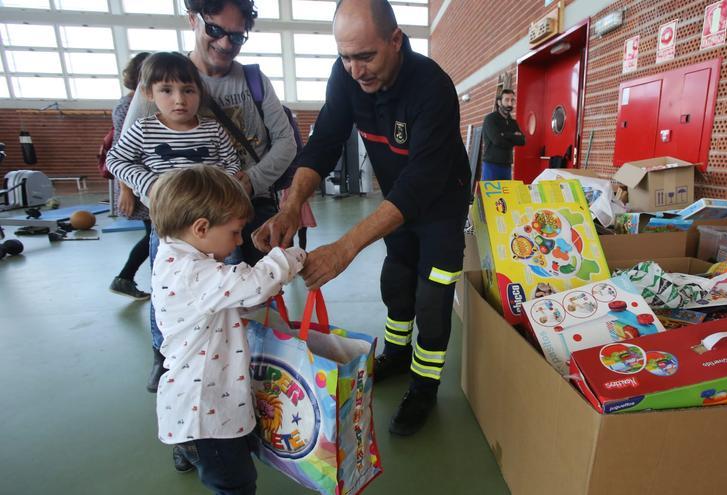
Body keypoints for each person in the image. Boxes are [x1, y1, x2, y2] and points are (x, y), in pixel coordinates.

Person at [253, 0, 471, 436]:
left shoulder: (432, 88)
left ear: (395, 40)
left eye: (365, 56)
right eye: (345, 57)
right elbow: (324, 141)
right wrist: (291, 206)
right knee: (396, 280)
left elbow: (421, 184)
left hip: (440, 207)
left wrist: (345, 247)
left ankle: (425, 387)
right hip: (399, 202)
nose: (355, 70)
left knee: (432, 296)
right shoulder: (348, 76)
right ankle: (396, 354)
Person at [150, 165, 305, 492]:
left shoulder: (174, 256)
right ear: (201, 227)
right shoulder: (192, 271)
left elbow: (220, 305)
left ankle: (189, 452)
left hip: (202, 404)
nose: (238, 241)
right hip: (208, 413)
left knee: (229, 467)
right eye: (235, 232)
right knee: (236, 484)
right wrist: (293, 258)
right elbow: (256, 282)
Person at [122, 0, 296, 267]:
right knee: (177, 296)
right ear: (193, 19)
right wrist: (155, 192)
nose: (226, 44)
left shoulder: (254, 81)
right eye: (215, 30)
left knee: (248, 296)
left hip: (243, 209)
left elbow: (286, 142)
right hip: (179, 220)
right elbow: (124, 155)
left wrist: (251, 180)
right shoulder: (164, 80)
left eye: (237, 36)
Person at [107, 52, 242, 396]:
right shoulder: (144, 129)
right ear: (149, 94)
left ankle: (224, 345)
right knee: (167, 292)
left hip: (215, 229)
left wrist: (221, 196)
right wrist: (149, 185)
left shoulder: (213, 130)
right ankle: (162, 354)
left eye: (188, 90)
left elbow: (231, 167)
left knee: (224, 282)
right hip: (168, 231)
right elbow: (116, 159)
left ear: (200, 92)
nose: (179, 99)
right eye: (166, 90)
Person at [109, 52, 152, 301]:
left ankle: (125, 277)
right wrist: (126, 190)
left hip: (142, 181)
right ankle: (124, 277)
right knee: (154, 235)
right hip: (137, 184)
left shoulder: (139, 103)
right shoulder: (128, 106)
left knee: (152, 234)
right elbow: (120, 148)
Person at [480, 89, 525, 181]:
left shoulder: (513, 122)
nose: (510, 103)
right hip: (491, 165)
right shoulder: (490, 119)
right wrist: (513, 137)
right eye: (507, 100)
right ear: (499, 102)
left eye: (512, 100)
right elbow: (497, 140)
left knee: (506, 195)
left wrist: (504, 134)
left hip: (507, 165)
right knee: (491, 195)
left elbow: (522, 141)